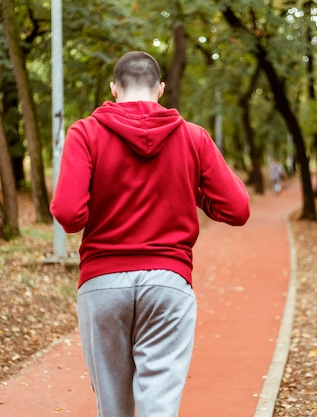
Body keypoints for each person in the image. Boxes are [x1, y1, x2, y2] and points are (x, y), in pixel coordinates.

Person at [50, 51, 250, 417]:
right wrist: (196, 194)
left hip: (102, 283)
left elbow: (68, 215)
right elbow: (237, 209)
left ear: (114, 89)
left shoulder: (85, 133)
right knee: (159, 408)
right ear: (160, 89)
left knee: (113, 408)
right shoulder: (193, 137)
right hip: (168, 283)